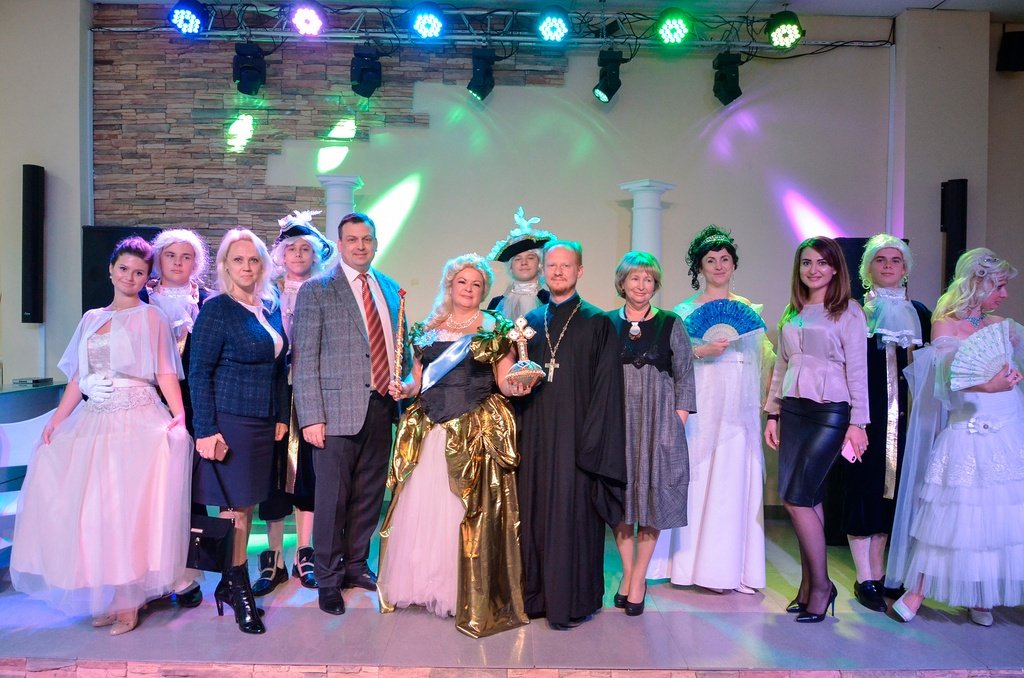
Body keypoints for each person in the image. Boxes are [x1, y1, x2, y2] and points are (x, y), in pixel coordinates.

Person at [11, 237, 194, 636]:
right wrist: (57, 419)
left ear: (147, 278)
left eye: (139, 272)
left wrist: (179, 415)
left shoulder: (152, 317)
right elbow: (79, 377)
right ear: (111, 270)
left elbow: (165, 371)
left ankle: (130, 599)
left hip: (138, 418)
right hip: (96, 418)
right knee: (98, 511)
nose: (130, 277)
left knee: (130, 510)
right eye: (124, 269)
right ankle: (110, 595)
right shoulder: (91, 318)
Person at [378, 253, 530, 638]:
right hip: (431, 428)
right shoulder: (428, 328)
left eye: (477, 284)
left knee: (460, 513)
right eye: (462, 282)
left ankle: (458, 591)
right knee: (425, 513)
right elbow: (416, 381)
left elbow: (504, 380)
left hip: (473, 429)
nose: (468, 289)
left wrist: (520, 382)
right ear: (450, 284)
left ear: (484, 290)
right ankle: (422, 586)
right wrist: (403, 388)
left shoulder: (494, 328)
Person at [888, 248, 1024, 627]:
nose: (1004, 294)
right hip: (968, 426)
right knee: (952, 512)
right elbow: (946, 379)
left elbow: (1013, 369)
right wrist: (988, 383)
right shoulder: (946, 324)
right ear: (976, 282)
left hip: (1007, 426)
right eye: (998, 285)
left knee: (998, 515)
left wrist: (1013, 375)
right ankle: (917, 591)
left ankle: (982, 594)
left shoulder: (1004, 326)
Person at [292, 212, 407, 617]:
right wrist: (311, 417)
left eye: (367, 239)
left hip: (381, 407)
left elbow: (401, 348)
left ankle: (356, 565)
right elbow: (304, 359)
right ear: (339, 245)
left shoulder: (390, 288)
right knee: (332, 500)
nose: (360, 246)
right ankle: (328, 578)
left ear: (376, 243)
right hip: (334, 412)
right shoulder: (317, 290)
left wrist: (404, 384)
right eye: (352, 239)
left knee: (369, 496)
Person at [648, 226, 772, 595]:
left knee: (732, 480)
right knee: (697, 478)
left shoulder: (747, 310)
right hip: (701, 402)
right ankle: (683, 566)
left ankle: (726, 570)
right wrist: (701, 351)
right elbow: (669, 361)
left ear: (734, 265)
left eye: (725, 259)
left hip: (737, 409)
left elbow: (764, 362)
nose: (719, 266)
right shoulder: (684, 312)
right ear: (699, 268)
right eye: (711, 260)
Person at [514, 239, 626, 630]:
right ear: (544, 271)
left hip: (579, 442)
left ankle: (572, 602)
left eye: (566, 266)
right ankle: (535, 598)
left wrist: (591, 446)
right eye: (552, 266)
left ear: (580, 271)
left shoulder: (597, 323)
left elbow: (607, 389)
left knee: (572, 518)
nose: (558, 272)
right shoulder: (529, 323)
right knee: (535, 517)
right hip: (536, 437)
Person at [190, 228, 290, 635]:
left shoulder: (268, 306)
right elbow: (199, 372)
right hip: (229, 421)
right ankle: (238, 587)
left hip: (262, 423)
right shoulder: (217, 310)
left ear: (262, 265)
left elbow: (279, 367)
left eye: (253, 260)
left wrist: (280, 414)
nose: (246, 267)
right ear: (225, 266)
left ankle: (230, 585)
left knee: (246, 508)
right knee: (234, 511)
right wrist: (205, 430)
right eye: (238, 260)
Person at [764, 236, 869, 623]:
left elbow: (858, 371)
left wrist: (858, 422)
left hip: (830, 412)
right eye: (806, 262)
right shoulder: (792, 311)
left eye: (822, 262)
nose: (814, 269)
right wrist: (772, 414)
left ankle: (822, 587)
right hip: (793, 410)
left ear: (836, 268)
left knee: (797, 500)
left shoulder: (849, 311)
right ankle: (809, 585)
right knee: (809, 498)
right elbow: (781, 367)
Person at [838, 234, 931, 612]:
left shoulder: (921, 313)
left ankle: (885, 575)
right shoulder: (855, 312)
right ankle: (865, 577)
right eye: (881, 259)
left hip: (910, 422)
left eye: (896, 260)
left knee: (898, 497)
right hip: (866, 420)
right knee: (865, 491)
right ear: (868, 268)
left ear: (905, 268)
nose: (889, 265)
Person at [605, 251, 695, 616]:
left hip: (660, 422)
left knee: (653, 501)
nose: (642, 285)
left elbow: (685, 375)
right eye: (635, 278)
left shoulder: (671, 322)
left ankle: (639, 578)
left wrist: (677, 421)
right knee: (620, 500)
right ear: (622, 282)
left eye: (648, 279)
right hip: (618, 422)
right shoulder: (606, 323)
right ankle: (629, 574)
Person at [253, 211, 336, 596]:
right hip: (273, 393)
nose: (298, 255)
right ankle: (273, 555)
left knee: (307, 472)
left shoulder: (324, 294)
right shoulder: (265, 296)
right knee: (272, 475)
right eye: (292, 249)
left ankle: (305, 550)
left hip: (310, 393)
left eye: (305, 249)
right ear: (280, 255)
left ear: (315, 255)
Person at [486, 206, 556, 320]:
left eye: (530, 258)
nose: (524, 262)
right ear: (510, 267)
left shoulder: (551, 301)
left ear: (539, 264)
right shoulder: (496, 304)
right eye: (517, 259)